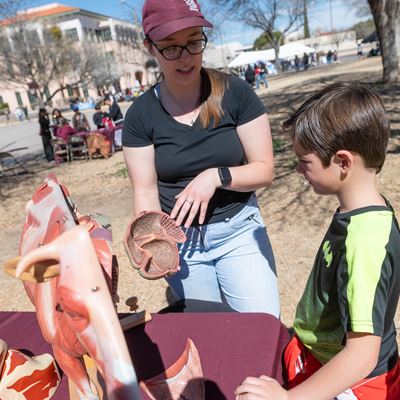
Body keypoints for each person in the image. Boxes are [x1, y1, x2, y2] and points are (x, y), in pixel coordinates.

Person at [235, 81, 400, 400]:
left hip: (355, 384)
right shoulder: (360, 210)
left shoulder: (364, 242)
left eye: (304, 161)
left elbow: (362, 355)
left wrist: (287, 398)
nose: (297, 169)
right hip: (321, 356)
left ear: (343, 162)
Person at [122, 0, 280, 316]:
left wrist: (216, 176)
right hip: (183, 243)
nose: (186, 57)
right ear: (150, 48)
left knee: (260, 327)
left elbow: (265, 170)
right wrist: (152, 240)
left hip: (238, 232)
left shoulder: (236, 92)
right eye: (170, 47)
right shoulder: (140, 115)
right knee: (208, 336)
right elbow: (146, 190)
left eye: (194, 42)